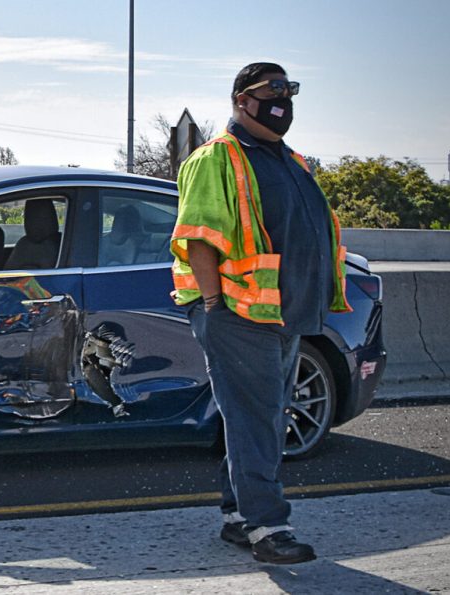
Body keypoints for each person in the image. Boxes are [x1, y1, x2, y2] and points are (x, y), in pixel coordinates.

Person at [170, 62, 351, 565]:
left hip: (283, 313)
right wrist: (213, 306)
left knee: (258, 418)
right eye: (270, 90)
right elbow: (197, 236)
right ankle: (268, 526)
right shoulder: (218, 158)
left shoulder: (291, 160)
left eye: (289, 90)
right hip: (237, 313)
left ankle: (237, 516)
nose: (282, 100)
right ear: (239, 100)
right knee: (258, 420)